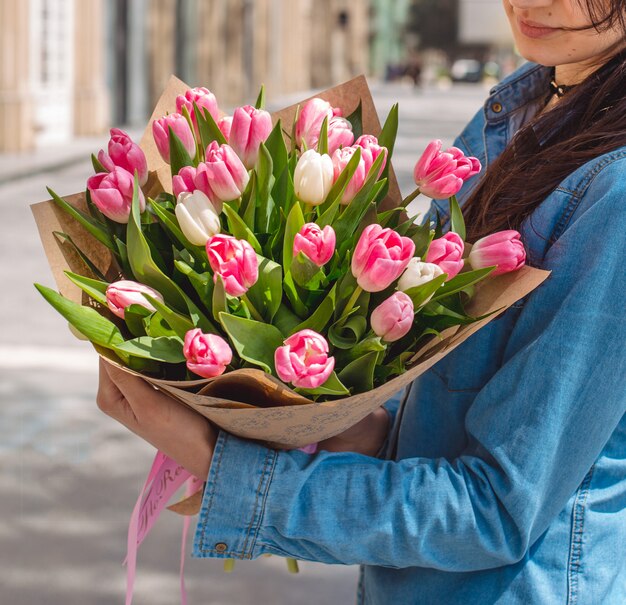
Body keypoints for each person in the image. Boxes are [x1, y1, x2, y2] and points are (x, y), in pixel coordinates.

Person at [97, 1, 626, 603]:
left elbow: (496, 513)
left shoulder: (616, 193)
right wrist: (353, 429)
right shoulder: (522, 110)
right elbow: (461, 409)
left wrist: (227, 470)